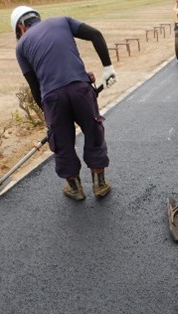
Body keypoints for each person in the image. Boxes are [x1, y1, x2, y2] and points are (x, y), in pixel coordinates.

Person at [10, 6, 117, 201]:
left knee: (61, 141)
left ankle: (75, 188)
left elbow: (35, 87)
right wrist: (108, 68)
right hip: (80, 89)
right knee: (94, 131)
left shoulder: (21, 47)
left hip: (52, 98)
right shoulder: (63, 21)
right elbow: (95, 34)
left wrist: (48, 116)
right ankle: (99, 184)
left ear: (20, 27)